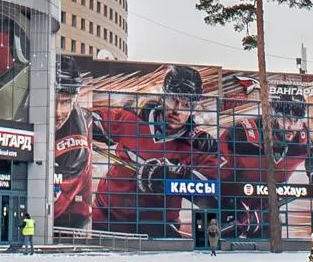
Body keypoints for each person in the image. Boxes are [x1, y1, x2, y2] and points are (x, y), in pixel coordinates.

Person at [91, 64, 223, 238]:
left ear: (194, 107)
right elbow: (90, 119)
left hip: (157, 230)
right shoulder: (134, 116)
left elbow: (213, 196)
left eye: (186, 104)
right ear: (163, 95)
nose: (177, 109)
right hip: (105, 218)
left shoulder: (201, 146)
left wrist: (172, 178)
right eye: (173, 99)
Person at [219, 91, 313, 240]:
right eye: (285, 119)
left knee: (267, 240)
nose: (291, 126)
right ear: (272, 116)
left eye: (296, 120)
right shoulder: (241, 135)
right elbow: (216, 172)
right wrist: (233, 203)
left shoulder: (303, 139)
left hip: (265, 208)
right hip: (233, 202)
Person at [52, 57, 93, 231]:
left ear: (74, 100)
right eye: (52, 101)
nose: (58, 112)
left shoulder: (76, 150)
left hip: (68, 221)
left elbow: (53, 207)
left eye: (65, 102)